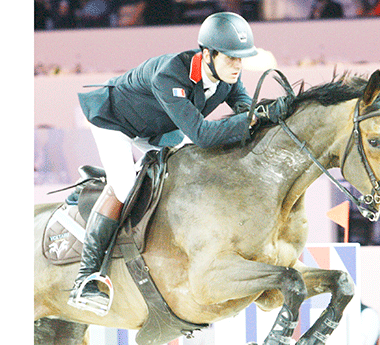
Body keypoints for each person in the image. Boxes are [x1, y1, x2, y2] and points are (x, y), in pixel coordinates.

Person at [68, 12, 265, 313]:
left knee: (184, 172)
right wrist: (256, 118)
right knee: (124, 187)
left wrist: (262, 115)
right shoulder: (171, 74)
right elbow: (202, 134)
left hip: (158, 130)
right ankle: (87, 277)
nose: (238, 66)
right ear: (207, 54)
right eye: (231, 58)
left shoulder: (228, 78)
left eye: (241, 59)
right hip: (115, 121)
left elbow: (246, 110)